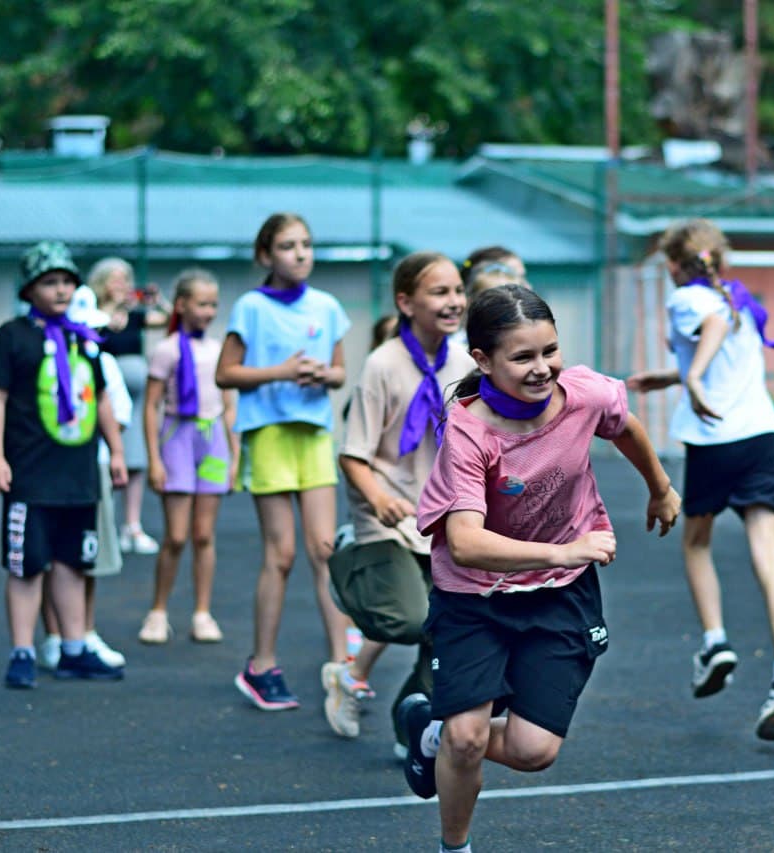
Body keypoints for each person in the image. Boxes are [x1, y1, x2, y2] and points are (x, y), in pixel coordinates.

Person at [396, 285, 681, 853]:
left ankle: (431, 729)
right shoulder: (469, 432)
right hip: (474, 597)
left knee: (533, 752)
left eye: (550, 351)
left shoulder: (583, 394)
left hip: (558, 596)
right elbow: (467, 542)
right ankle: (455, 844)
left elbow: (623, 424)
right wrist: (563, 551)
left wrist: (661, 488)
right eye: (523, 357)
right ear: (482, 360)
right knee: (469, 738)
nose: (543, 368)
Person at [626, 218, 774, 741]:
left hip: (713, 440)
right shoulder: (735, 300)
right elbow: (723, 344)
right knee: (768, 555)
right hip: (761, 439)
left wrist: (696, 376)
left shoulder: (690, 302)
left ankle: (715, 642)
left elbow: (711, 337)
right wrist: (671, 376)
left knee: (695, 544)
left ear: (672, 265)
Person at [215, 212, 354, 714]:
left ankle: (344, 668)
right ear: (266, 255)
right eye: (288, 246)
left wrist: (323, 374)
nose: (300, 253)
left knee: (325, 551)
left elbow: (340, 372)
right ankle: (261, 666)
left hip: (314, 434)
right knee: (282, 553)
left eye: (306, 244)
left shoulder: (328, 306)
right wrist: (281, 372)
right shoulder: (250, 307)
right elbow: (225, 373)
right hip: (270, 434)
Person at [335, 251, 472, 743]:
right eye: (440, 292)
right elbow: (352, 455)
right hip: (388, 518)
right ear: (406, 302)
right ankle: (352, 569)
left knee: (452, 624)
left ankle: (413, 722)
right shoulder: (382, 365)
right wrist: (377, 498)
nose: (454, 301)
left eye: (458, 290)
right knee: (414, 618)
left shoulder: (463, 362)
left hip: (441, 516)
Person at [0, 241, 129, 688]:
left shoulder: (83, 338)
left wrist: (117, 451)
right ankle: (23, 651)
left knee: (72, 563)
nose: (62, 289)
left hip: (78, 473)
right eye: (50, 282)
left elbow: (100, 397)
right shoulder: (12, 337)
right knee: (27, 564)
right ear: (29, 288)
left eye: (68, 281)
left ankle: (74, 647)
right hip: (30, 473)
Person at [36, 285, 133, 673]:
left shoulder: (98, 360)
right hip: (47, 471)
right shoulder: (39, 355)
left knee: (88, 557)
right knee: (46, 558)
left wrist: (110, 449)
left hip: (89, 468)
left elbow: (117, 410)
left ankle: (85, 632)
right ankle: (55, 637)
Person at [138, 268, 238, 645]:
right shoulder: (165, 350)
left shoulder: (218, 351)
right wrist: (154, 459)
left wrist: (233, 454)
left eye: (214, 304)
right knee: (176, 536)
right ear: (181, 305)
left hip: (212, 443)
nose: (209, 311)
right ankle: (158, 611)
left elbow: (228, 406)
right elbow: (150, 406)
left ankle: (202, 612)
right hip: (177, 438)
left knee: (203, 534)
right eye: (202, 303)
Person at [91, 257, 170, 555]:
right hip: (106, 402)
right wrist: (111, 312)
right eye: (115, 279)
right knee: (106, 461)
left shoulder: (135, 316)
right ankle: (104, 525)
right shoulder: (94, 317)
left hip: (135, 401)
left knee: (135, 461)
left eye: (126, 279)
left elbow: (171, 317)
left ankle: (132, 525)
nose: (122, 285)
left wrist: (157, 299)